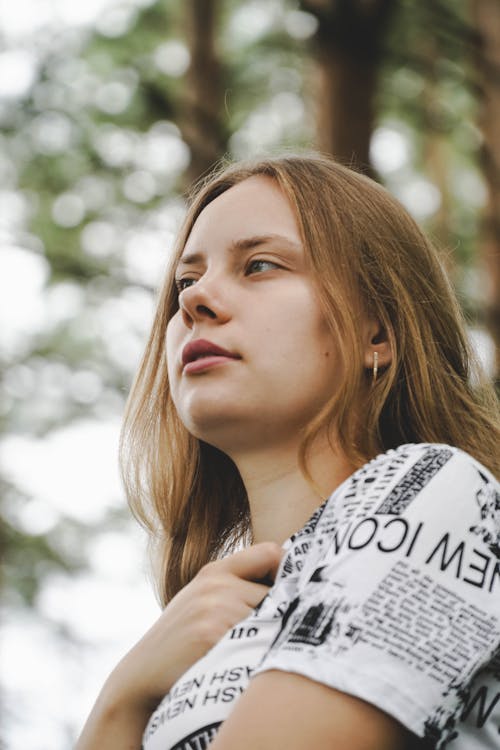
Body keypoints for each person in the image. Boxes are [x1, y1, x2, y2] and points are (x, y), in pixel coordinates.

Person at [76, 153, 500, 750]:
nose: (195, 302)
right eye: (186, 282)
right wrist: (124, 694)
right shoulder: (200, 623)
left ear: (375, 333)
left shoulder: (435, 493)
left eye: (260, 265)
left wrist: (122, 706)